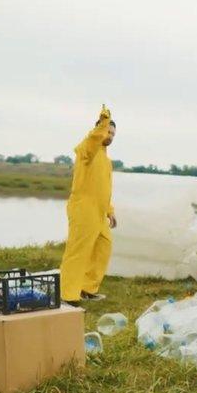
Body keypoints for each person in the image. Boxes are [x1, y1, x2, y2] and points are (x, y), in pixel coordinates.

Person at [59, 105, 117, 304]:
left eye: (112, 133)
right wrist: (102, 123)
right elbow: (91, 142)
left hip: (99, 213)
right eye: (107, 131)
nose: (109, 135)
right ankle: (68, 294)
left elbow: (104, 188)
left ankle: (87, 288)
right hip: (83, 209)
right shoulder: (88, 152)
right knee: (78, 251)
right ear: (99, 130)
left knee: (104, 247)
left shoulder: (106, 161)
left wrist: (110, 211)